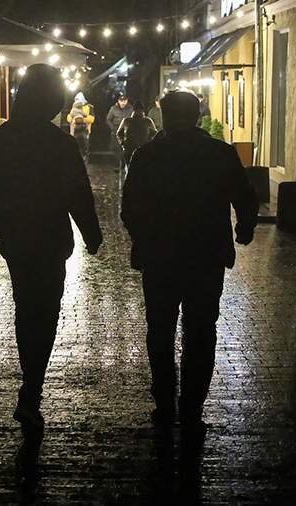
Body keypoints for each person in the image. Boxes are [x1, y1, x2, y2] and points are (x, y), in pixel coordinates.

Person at [0, 64, 103, 482]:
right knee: (44, 312)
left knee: (26, 306)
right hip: (50, 240)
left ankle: (30, 381)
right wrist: (92, 234)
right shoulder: (59, 143)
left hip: (15, 240)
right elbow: (78, 193)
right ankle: (32, 384)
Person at [120, 91, 258, 434]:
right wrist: (244, 227)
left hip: (160, 257)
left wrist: (144, 237)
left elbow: (129, 207)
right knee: (201, 329)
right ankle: (193, 405)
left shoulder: (147, 155)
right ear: (197, 116)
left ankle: (165, 402)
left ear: (165, 117)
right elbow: (244, 196)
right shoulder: (220, 153)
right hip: (206, 255)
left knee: (160, 330)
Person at [116, 101, 157, 170]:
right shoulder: (147, 121)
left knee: (131, 169)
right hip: (140, 148)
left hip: (133, 149)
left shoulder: (127, 121)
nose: (138, 111)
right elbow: (154, 134)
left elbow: (119, 133)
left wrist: (123, 143)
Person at [105, 94, 133, 168]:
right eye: (121, 101)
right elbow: (108, 119)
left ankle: (124, 164)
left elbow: (134, 119)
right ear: (118, 101)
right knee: (115, 148)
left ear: (127, 101)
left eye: (124, 101)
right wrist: (113, 128)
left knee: (127, 148)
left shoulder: (130, 109)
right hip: (116, 130)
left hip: (127, 131)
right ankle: (117, 164)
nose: (123, 103)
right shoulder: (113, 109)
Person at [67, 95, 95, 161]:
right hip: (75, 130)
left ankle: (85, 160)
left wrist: (81, 120)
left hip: (85, 130)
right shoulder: (74, 106)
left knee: (85, 146)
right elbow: (69, 117)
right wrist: (73, 119)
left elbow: (92, 119)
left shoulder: (89, 107)